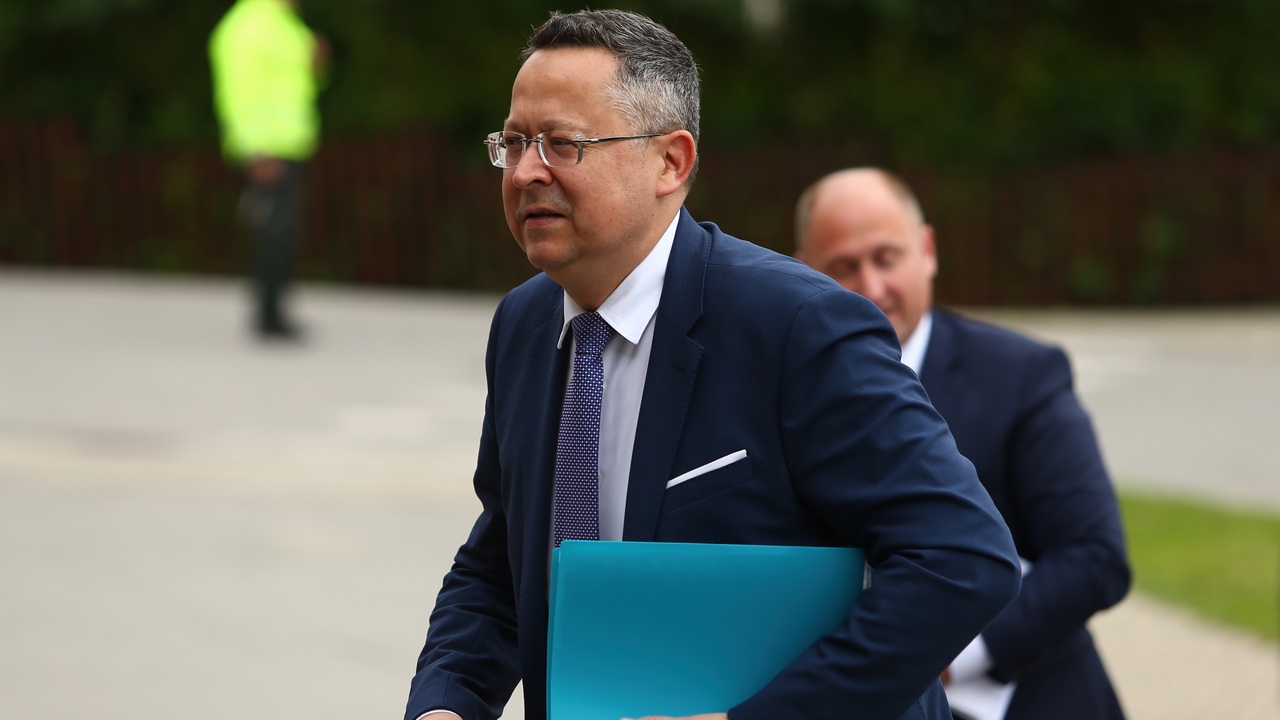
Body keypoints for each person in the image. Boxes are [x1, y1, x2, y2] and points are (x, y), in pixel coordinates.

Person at [405, 11, 1021, 720]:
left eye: (563, 144)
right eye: (513, 143)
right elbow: (502, 562)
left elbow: (962, 559)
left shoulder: (798, 325)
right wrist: (446, 702)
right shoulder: (523, 323)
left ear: (671, 162)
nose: (525, 172)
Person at [794, 168, 1131, 720]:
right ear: (804, 270)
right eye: (844, 267)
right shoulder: (788, 386)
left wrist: (933, 654)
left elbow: (1095, 558)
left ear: (927, 250)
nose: (872, 287)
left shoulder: (1022, 375)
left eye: (886, 258)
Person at [209, 0, 328, 340]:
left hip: (289, 143)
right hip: (267, 148)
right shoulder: (248, 26)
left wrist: (316, 64)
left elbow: (295, 80)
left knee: (282, 232)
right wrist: (254, 148)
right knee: (271, 232)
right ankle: (268, 316)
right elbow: (238, 92)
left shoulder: (285, 22)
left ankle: (275, 311)